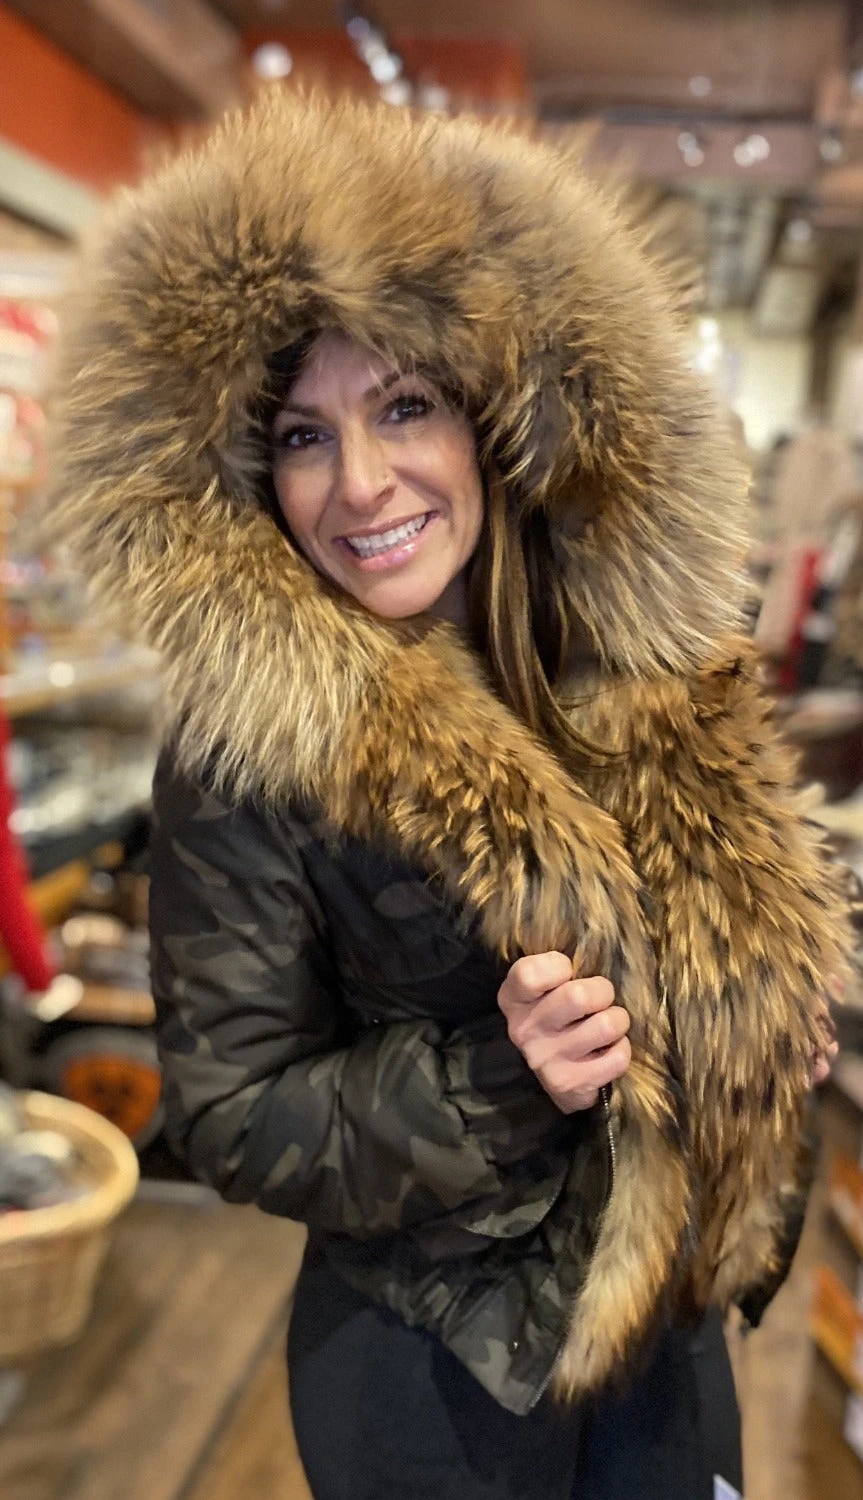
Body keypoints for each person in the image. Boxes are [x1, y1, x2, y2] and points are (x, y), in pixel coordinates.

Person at [51, 90, 847, 1499]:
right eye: (303, 436)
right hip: (444, 1380)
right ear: (245, 468)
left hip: (669, 1340)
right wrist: (498, 1074)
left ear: (493, 415)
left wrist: (756, 1003)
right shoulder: (246, 749)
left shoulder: (632, 656)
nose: (360, 485)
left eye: (403, 406)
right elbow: (232, 1114)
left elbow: (711, 943)